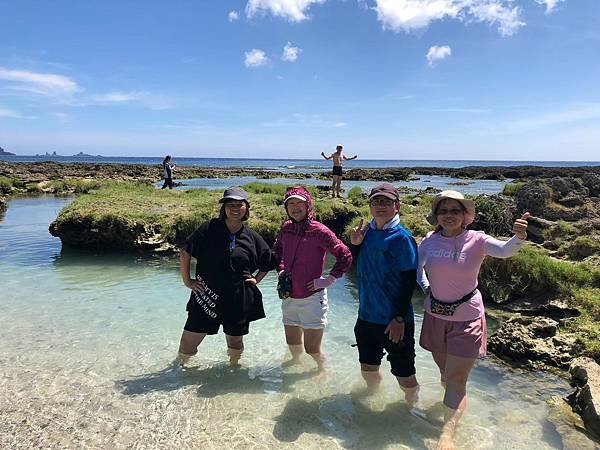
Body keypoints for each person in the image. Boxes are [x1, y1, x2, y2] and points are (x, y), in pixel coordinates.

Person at [417, 190, 529, 450]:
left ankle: (447, 435)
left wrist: (519, 237)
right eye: (443, 211)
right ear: (436, 216)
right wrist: (428, 290)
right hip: (435, 317)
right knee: (445, 375)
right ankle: (450, 405)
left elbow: (504, 250)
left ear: (465, 215)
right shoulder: (429, 242)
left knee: (456, 380)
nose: (448, 215)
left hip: (467, 317)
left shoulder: (477, 240)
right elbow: (418, 270)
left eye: (454, 210)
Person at [176, 187, 277, 367]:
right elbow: (185, 251)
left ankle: (233, 372)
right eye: (231, 204)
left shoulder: (252, 236)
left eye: (240, 204)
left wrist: (256, 280)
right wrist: (187, 281)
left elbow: (269, 261)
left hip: (238, 299)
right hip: (206, 296)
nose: (235, 208)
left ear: (247, 207)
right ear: (224, 208)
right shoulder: (209, 228)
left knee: (235, 344)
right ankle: (182, 373)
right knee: (187, 344)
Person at [349, 183, 420, 407]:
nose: (380, 206)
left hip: (394, 321)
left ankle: (411, 409)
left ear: (397, 206)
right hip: (367, 317)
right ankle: (372, 399)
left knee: (404, 375)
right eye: (376, 201)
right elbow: (358, 267)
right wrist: (355, 245)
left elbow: (410, 281)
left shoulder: (402, 238)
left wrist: (399, 318)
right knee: (368, 368)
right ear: (370, 206)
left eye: (386, 201)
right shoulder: (366, 233)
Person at [274, 186, 352, 369]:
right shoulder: (286, 228)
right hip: (289, 296)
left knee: (312, 349)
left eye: (299, 203)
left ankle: (321, 372)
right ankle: (296, 368)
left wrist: (329, 279)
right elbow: (277, 251)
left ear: (308, 205)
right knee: (293, 344)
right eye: (290, 203)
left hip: (312, 298)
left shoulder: (319, 231)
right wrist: (281, 269)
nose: (295, 207)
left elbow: (345, 255)